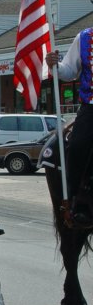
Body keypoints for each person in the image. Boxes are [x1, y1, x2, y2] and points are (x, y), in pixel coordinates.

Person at [46, 29, 93, 224]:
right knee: (77, 145)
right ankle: (77, 201)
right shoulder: (84, 38)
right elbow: (69, 72)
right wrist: (55, 64)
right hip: (91, 106)